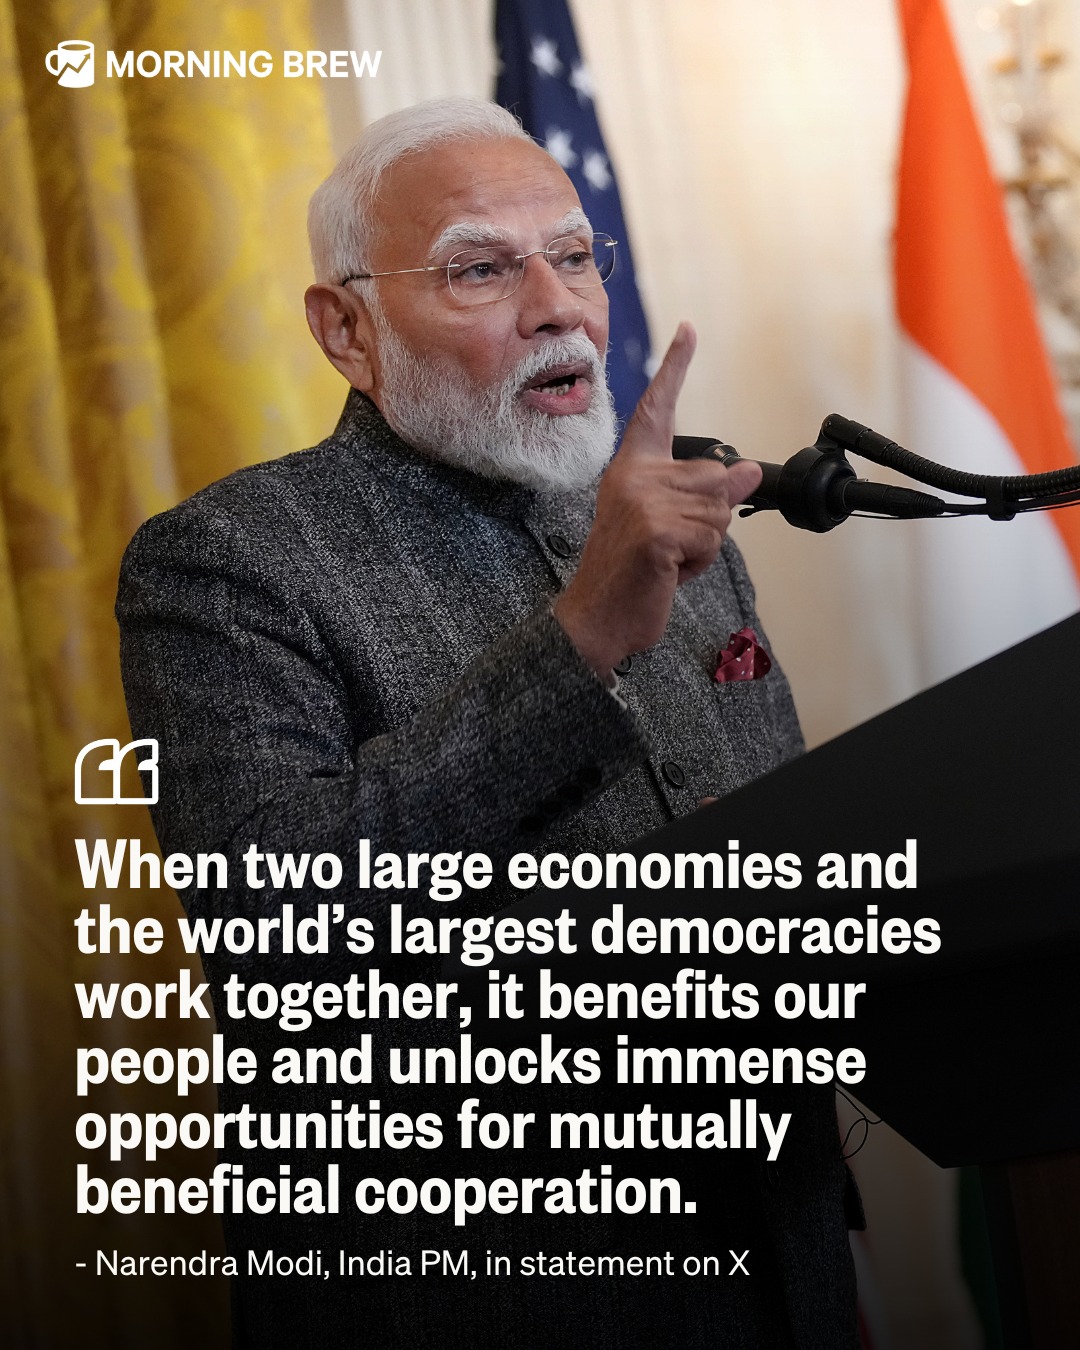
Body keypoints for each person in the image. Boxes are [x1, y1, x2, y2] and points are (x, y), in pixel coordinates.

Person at [117, 97, 857, 1348]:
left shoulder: (673, 527)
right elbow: (276, 925)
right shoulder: (228, 561)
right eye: (480, 268)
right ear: (346, 329)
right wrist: (579, 644)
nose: (558, 305)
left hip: (775, 1241)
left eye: (572, 256)